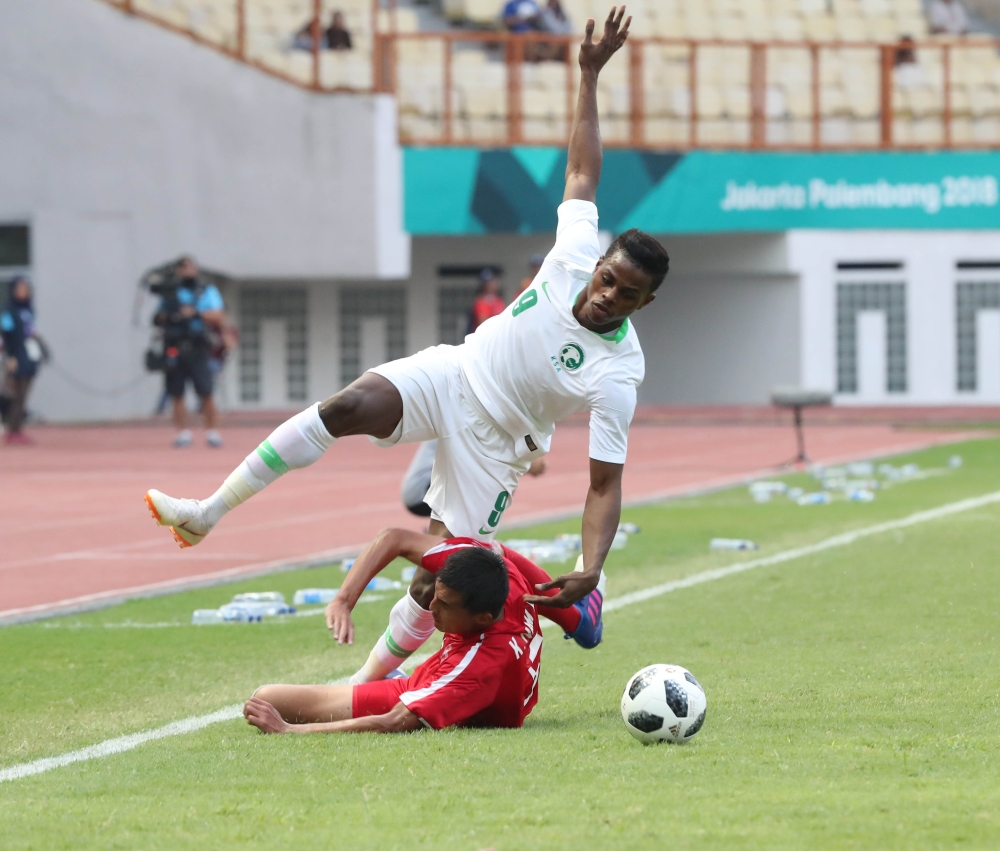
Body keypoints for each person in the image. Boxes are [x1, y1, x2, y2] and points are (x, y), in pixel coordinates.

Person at [146, 7, 666, 685]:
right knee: (348, 404)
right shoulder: (572, 252)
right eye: (608, 279)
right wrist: (589, 76)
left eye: (626, 294)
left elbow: (603, 483)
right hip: (454, 373)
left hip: (499, 444)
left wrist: (592, 567)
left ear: (643, 304)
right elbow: (581, 171)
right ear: (597, 264)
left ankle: (358, 687)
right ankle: (206, 513)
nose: (608, 295)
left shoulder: (619, 371)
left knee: (436, 581)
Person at [244, 527, 605, 734]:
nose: (431, 607)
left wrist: (289, 731)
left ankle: (582, 619)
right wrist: (343, 599)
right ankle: (582, 620)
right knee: (495, 551)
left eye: (444, 605)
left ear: (482, 618)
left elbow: (392, 721)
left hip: (446, 691)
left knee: (268, 698)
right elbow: (395, 538)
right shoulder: (491, 573)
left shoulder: (478, 667)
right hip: (461, 672)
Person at [154, 257, 227, 448]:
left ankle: (212, 431)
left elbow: (218, 316)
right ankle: (183, 432)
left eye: (191, 267)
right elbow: (159, 316)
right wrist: (170, 315)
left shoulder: (205, 290)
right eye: (183, 268)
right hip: (174, 346)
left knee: (206, 391)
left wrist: (195, 313)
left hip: (198, 347)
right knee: (176, 392)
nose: (188, 272)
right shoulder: (170, 292)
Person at [0, 277, 46, 446]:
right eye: (20, 288)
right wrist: (10, 356)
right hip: (16, 356)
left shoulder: (28, 310)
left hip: (29, 357)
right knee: (13, 394)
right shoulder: (8, 312)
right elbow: (6, 334)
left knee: (23, 395)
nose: (23, 291)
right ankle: (12, 429)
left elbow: (31, 332)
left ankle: (17, 428)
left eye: (26, 288)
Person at [468, 269, 506, 334]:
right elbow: (483, 325)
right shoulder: (481, 302)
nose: (493, 283)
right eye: (490, 282)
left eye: (493, 280)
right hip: (488, 336)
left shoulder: (498, 300)